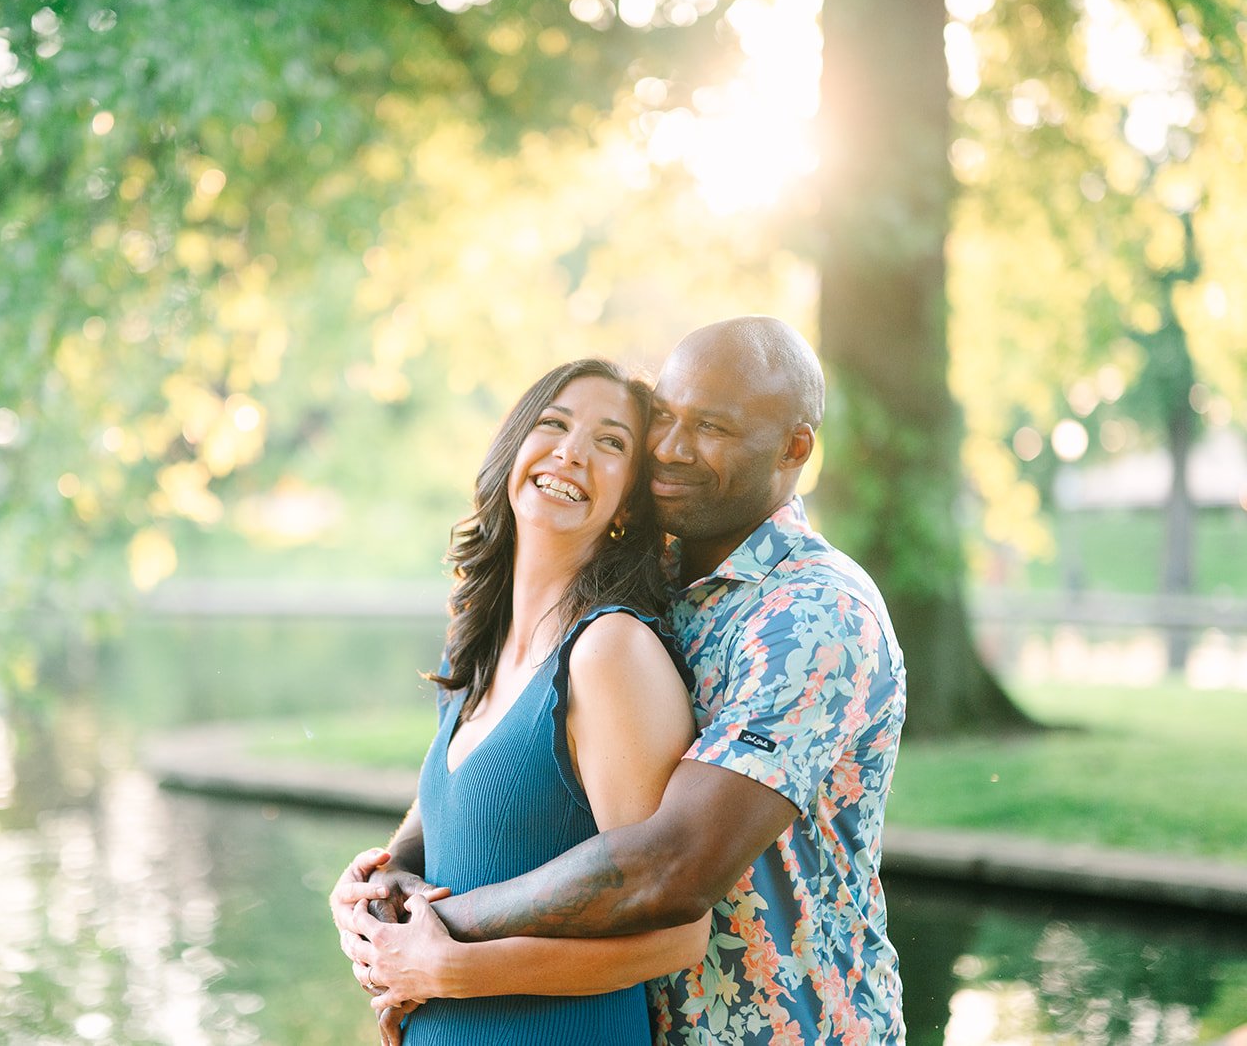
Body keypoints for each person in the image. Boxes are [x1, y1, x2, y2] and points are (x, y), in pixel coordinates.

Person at [334, 316, 908, 1045]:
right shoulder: (645, 576)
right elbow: (515, 754)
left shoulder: (814, 614)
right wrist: (390, 874)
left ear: (795, 448)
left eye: (710, 427)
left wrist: (441, 926)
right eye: (662, 417)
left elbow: (669, 865)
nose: (668, 446)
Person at [335, 357, 713, 1044]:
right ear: (514, 448)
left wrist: (452, 973)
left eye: (610, 442)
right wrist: (375, 886)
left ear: (629, 500)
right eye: (555, 423)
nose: (571, 451)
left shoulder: (608, 654)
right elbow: (454, 810)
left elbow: (677, 936)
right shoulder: (475, 644)